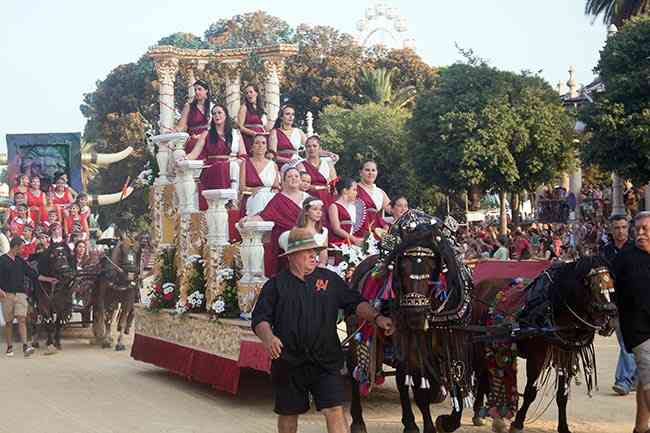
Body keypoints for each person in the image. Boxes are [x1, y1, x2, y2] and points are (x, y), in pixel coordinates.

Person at [251, 227, 393, 433]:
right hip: (289, 362)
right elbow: (260, 319)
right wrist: (269, 338)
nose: (314, 255)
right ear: (291, 256)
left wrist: (378, 318)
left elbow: (355, 302)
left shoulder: (330, 280)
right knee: (288, 413)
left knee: (334, 409)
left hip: (325, 360)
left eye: (315, 251)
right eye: (307, 251)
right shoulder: (275, 285)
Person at [613, 212, 650, 433]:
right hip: (637, 328)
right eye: (638, 229)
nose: (641, 233)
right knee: (648, 373)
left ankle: (640, 427)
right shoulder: (625, 258)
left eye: (646, 228)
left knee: (644, 380)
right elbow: (606, 287)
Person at [243, 166, 310, 277]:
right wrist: (249, 218)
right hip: (285, 240)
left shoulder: (308, 198)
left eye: (296, 176)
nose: (293, 178)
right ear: (283, 181)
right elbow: (265, 215)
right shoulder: (278, 199)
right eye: (289, 176)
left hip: (307, 236)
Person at [0, 237, 57, 357]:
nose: (23, 249)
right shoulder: (2, 260)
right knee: (9, 322)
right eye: (22, 247)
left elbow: (33, 274)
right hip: (7, 295)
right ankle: (9, 347)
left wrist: (49, 279)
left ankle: (25, 346)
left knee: (22, 318)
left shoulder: (20, 261)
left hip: (21, 294)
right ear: (15, 247)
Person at [187, 103, 246, 210]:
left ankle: (233, 201)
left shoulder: (235, 133)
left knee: (232, 166)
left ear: (226, 115)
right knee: (223, 167)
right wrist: (183, 158)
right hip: (211, 169)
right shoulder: (206, 134)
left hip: (231, 166)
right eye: (214, 114)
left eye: (219, 113)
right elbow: (194, 154)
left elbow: (243, 155)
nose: (217, 116)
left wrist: (233, 162)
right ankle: (230, 201)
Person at [602, 215, 637, 396]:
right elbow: (602, 278)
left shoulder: (636, 248)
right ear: (611, 230)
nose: (620, 231)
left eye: (623, 227)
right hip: (616, 305)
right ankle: (630, 379)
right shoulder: (606, 252)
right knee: (627, 342)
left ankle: (625, 380)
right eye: (617, 228)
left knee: (630, 343)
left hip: (637, 303)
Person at [239, 134, 279, 217]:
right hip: (251, 198)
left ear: (266, 147)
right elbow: (241, 187)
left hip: (269, 199)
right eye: (257, 143)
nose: (260, 145)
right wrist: (253, 189)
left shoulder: (273, 165)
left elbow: (276, 187)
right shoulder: (245, 163)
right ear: (252, 147)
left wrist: (274, 192)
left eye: (263, 143)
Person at [297, 135, 337, 204]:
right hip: (309, 199)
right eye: (308, 146)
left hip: (328, 198)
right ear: (305, 149)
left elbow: (334, 185)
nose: (311, 149)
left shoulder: (328, 164)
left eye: (314, 146)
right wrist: (323, 188)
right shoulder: (301, 165)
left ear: (320, 148)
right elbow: (304, 185)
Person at [175, 79, 212, 153]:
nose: (197, 92)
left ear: (206, 90)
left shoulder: (212, 107)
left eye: (199, 89)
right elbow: (181, 126)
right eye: (195, 90)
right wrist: (174, 131)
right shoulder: (188, 107)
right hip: (193, 138)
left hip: (207, 137)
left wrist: (202, 136)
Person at [328, 178, 365, 247]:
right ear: (345, 191)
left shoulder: (352, 207)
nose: (356, 192)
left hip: (349, 241)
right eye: (354, 190)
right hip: (339, 242)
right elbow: (336, 229)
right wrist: (354, 239)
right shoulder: (334, 206)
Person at [356, 160, 390, 237]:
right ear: (360, 172)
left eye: (373, 170)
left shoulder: (380, 192)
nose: (370, 173)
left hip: (377, 231)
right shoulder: (353, 189)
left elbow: (393, 210)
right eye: (367, 170)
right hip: (359, 230)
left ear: (377, 173)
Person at [295, 196, 329, 266]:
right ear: (306, 212)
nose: (319, 212)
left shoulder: (324, 231)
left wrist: (321, 265)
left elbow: (323, 255)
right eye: (315, 209)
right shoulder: (298, 231)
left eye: (320, 210)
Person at [238, 84, 268, 154]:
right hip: (249, 138)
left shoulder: (261, 109)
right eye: (247, 93)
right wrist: (254, 133)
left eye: (251, 92)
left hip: (262, 138)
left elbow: (265, 125)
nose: (249, 95)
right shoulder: (244, 107)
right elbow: (240, 127)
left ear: (256, 93)